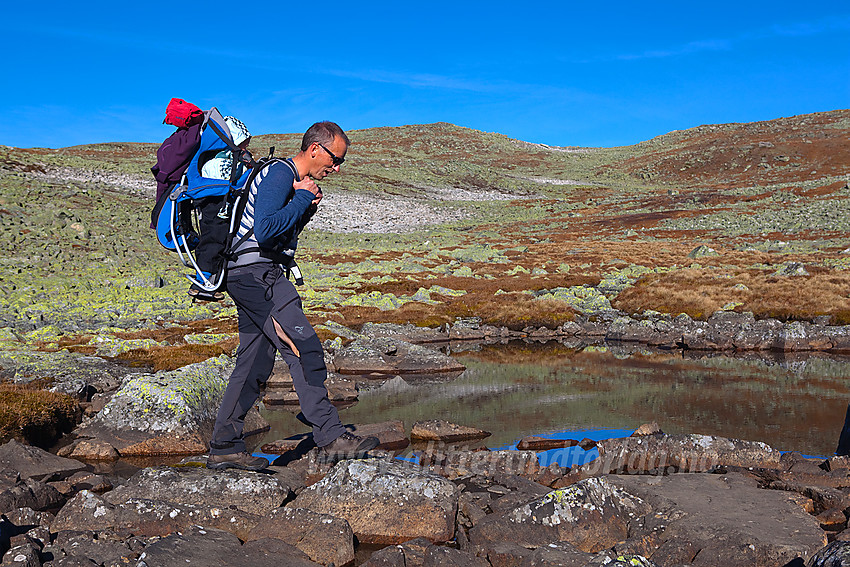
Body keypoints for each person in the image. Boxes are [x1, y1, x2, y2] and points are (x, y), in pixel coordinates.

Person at [207, 121, 379, 471]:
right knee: (305, 347)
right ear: (315, 148)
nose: (337, 167)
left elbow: (278, 229)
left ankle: (224, 447)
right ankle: (331, 436)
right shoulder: (280, 173)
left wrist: (306, 206)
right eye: (335, 158)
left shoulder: (286, 178)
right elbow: (266, 230)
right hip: (259, 277)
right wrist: (302, 197)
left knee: (253, 362)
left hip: (247, 276)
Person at [190, 116, 253, 301]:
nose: (245, 149)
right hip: (215, 204)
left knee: (217, 240)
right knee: (214, 240)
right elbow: (231, 184)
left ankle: (213, 278)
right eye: (243, 144)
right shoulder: (220, 163)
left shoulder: (224, 158)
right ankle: (203, 282)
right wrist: (249, 171)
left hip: (214, 202)